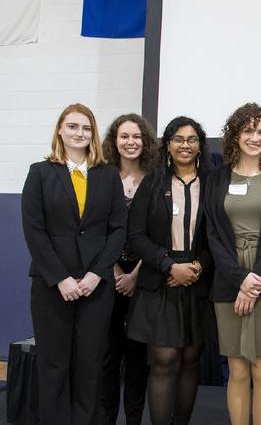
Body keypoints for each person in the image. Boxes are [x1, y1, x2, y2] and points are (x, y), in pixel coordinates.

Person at [22, 103, 127, 425]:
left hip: (95, 288)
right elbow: (34, 229)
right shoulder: (40, 173)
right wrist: (61, 278)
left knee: (89, 365)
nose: (79, 133)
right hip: (52, 286)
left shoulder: (107, 175)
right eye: (72, 127)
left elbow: (118, 228)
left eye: (85, 128)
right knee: (53, 365)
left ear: (93, 134)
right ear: (60, 130)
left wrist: (96, 274)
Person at [204, 103, 261, 425]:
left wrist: (254, 279)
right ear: (235, 134)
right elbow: (213, 234)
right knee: (238, 369)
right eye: (248, 130)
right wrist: (240, 279)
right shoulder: (216, 178)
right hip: (229, 278)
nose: (254, 137)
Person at [126, 116, 214, 425]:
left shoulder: (213, 183)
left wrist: (199, 266)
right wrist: (169, 265)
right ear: (168, 145)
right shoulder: (152, 182)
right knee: (164, 360)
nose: (185, 145)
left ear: (200, 145)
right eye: (178, 139)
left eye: (191, 140)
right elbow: (135, 235)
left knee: (190, 360)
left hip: (199, 279)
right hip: (159, 279)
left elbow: (220, 236)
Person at [96, 113, 157, 425]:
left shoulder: (156, 177)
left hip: (145, 275)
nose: (131, 142)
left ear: (145, 142)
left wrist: (136, 274)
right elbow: (96, 230)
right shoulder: (101, 176)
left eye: (137, 137)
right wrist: (117, 271)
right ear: (114, 141)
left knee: (138, 356)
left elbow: (160, 233)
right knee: (108, 357)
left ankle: (133, 418)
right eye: (124, 137)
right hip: (107, 274)